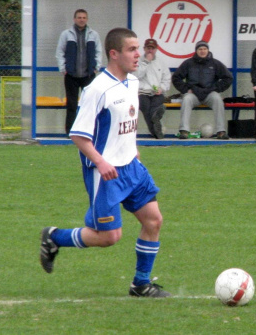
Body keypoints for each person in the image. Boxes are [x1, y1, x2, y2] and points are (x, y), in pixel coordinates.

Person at [40, 28, 171, 298]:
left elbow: (127, 124)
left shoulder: (132, 83)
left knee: (153, 221)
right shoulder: (97, 89)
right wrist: (100, 162)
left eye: (138, 49)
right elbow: (78, 134)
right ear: (114, 54)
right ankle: (54, 237)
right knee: (108, 237)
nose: (138, 55)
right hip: (107, 174)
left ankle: (141, 284)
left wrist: (133, 149)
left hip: (132, 169)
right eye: (132, 50)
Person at [172, 40, 233, 140]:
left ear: (208, 50)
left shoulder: (215, 63)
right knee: (186, 99)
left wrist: (216, 88)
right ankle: (184, 131)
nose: (202, 51)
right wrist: (186, 89)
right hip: (194, 94)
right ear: (196, 51)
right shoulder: (188, 63)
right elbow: (176, 78)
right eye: (200, 49)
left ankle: (221, 131)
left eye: (205, 49)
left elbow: (228, 78)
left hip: (209, 94)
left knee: (217, 99)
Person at [56, 9, 102, 135]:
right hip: (71, 75)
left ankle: (88, 131)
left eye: (84, 17)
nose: (81, 19)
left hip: (88, 75)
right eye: (79, 17)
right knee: (71, 105)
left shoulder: (93, 35)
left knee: (89, 105)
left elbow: (98, 52)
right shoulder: (66, 34)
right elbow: (60, 52)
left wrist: (96, 68)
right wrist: (63, 69)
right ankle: (70, 131)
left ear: (87, 19)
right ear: (74, 19)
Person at [136, 39, 171, 139]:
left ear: (157, 49)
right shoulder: (138, 61)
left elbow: (166, 79)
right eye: (148, 48)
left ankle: (155, 131)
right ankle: (156, 131)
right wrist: (146, 62)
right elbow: (136, 75)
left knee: (155, 107)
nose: (150, 50)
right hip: (141, 93)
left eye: (152, 48)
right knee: (146, 108)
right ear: (144, 49)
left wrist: (162, 88)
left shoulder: (161, 62)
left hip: (157, 93)